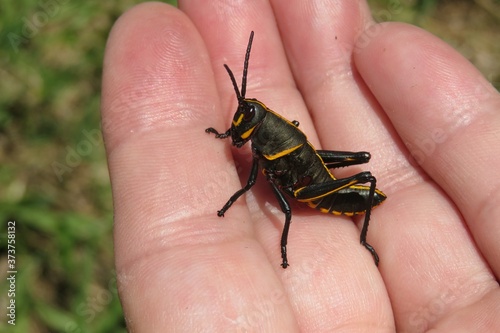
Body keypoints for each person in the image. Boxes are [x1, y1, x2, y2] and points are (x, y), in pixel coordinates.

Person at [101, 1, 500, 331]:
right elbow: (247, 135)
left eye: (247, 120)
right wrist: (227, 135)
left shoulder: (270, 144)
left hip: (320, 191)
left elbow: (276, 198)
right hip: (300, 163)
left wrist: (250, 221)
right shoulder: (264, 127)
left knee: (313, 192)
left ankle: (362, 236)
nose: (242, 125)